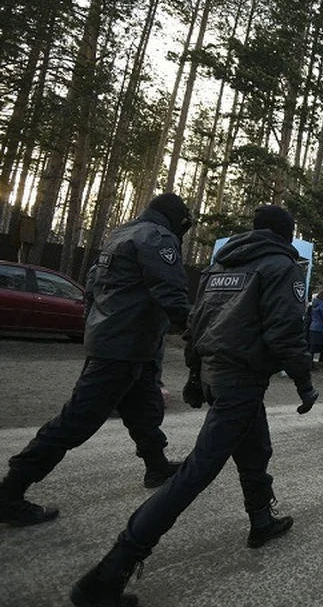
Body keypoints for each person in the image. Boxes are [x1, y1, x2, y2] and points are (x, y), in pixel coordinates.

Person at [69, 204, 320, 606]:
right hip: (240, 379)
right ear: (287, 235)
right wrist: (305, 383)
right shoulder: (280, 267)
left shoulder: (220, 267)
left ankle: (261, 520)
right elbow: (285, 333)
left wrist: (192, 374)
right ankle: (109, 572)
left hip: (218, 376)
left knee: (255, 450)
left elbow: (197, 322)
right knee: (195, 472)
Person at [0, 193, 192, 527]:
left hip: (122, 342)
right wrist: (200, 331)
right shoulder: (157, 238)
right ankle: (10, 492)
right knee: (75, 421)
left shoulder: (121, 234)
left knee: (144, 409)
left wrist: (99, 325)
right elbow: (171, 294)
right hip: (123, 347)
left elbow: (90, 287)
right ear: (177, 220)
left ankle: (156, 464)